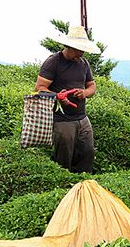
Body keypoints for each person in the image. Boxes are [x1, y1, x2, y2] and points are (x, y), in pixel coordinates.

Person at [35, 25, 99, 173]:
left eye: (83, 50)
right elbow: (40, 88)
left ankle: (83, 185)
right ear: (69, 46)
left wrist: (84, 93)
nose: (81, 53)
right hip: (62, 120)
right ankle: (63, 187)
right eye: (79, 50)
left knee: (87, 153)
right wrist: (58, 96)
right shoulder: (53, 62)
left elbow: (92, 86)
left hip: (82, 118)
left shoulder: (84, 64)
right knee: (63, 158)